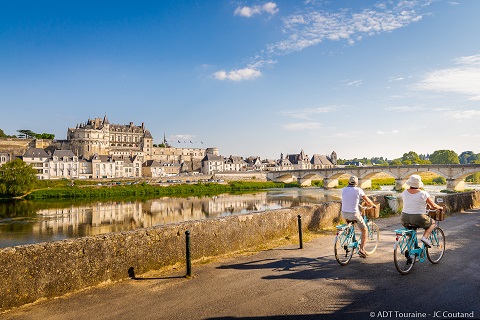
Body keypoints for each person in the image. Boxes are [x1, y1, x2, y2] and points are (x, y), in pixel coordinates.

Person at [401, 174, 443, 248]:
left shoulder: (404, 192)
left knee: (411, 233)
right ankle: (425, 237)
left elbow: (412, 202)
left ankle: (411, 253)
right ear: (419, 184)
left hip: (404, 217)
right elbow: (433, 206)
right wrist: (440, 207)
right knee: (432, 223)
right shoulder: (423, 193)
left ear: (410, 183)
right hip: (418, 217)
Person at [341, 175, 376, 258]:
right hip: (354, 214)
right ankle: (361, 249)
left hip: (344, 213)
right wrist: (373, 205)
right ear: (356, 183)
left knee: (350, 222)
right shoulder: (358, 190)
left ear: (348, 182)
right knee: (364, 230)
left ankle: (348, 233)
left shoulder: (343, 189)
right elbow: (367, 200)